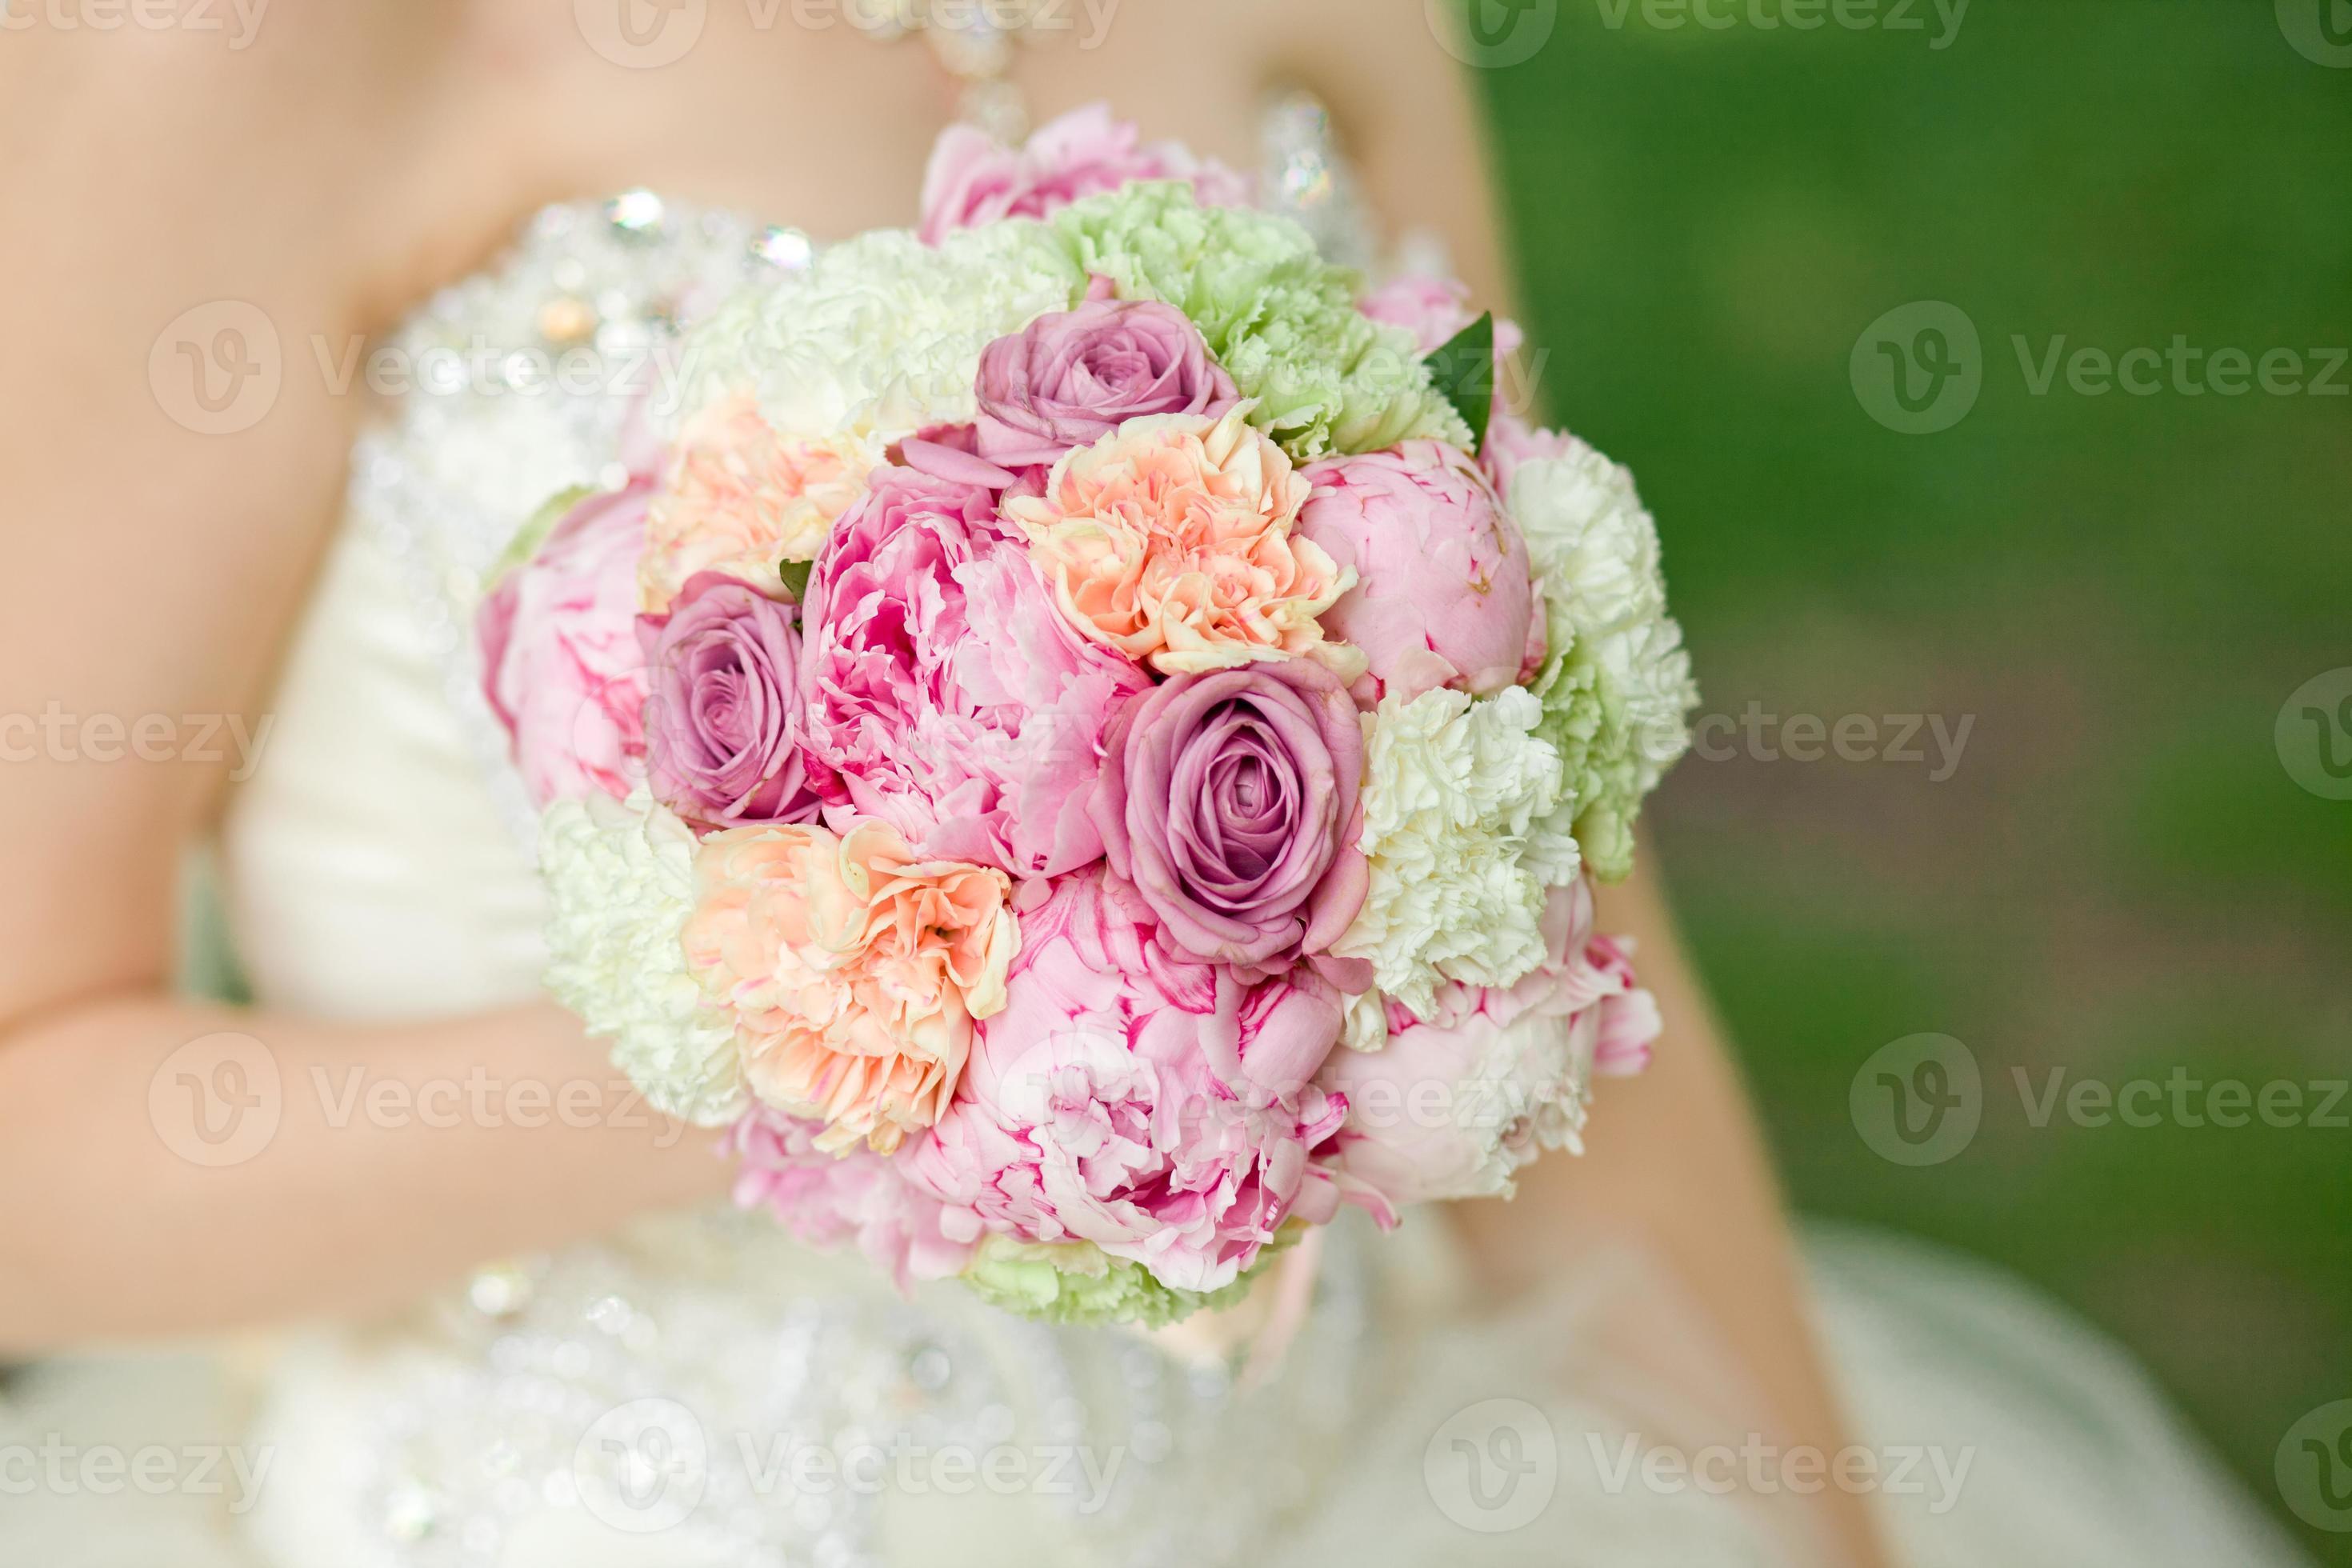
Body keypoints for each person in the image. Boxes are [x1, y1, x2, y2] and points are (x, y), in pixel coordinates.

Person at [0, 5, 2307, 1564]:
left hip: (1362, 1484)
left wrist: (1824, 1529)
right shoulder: (242, 58)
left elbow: (1570, 932)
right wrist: (876, 1027)